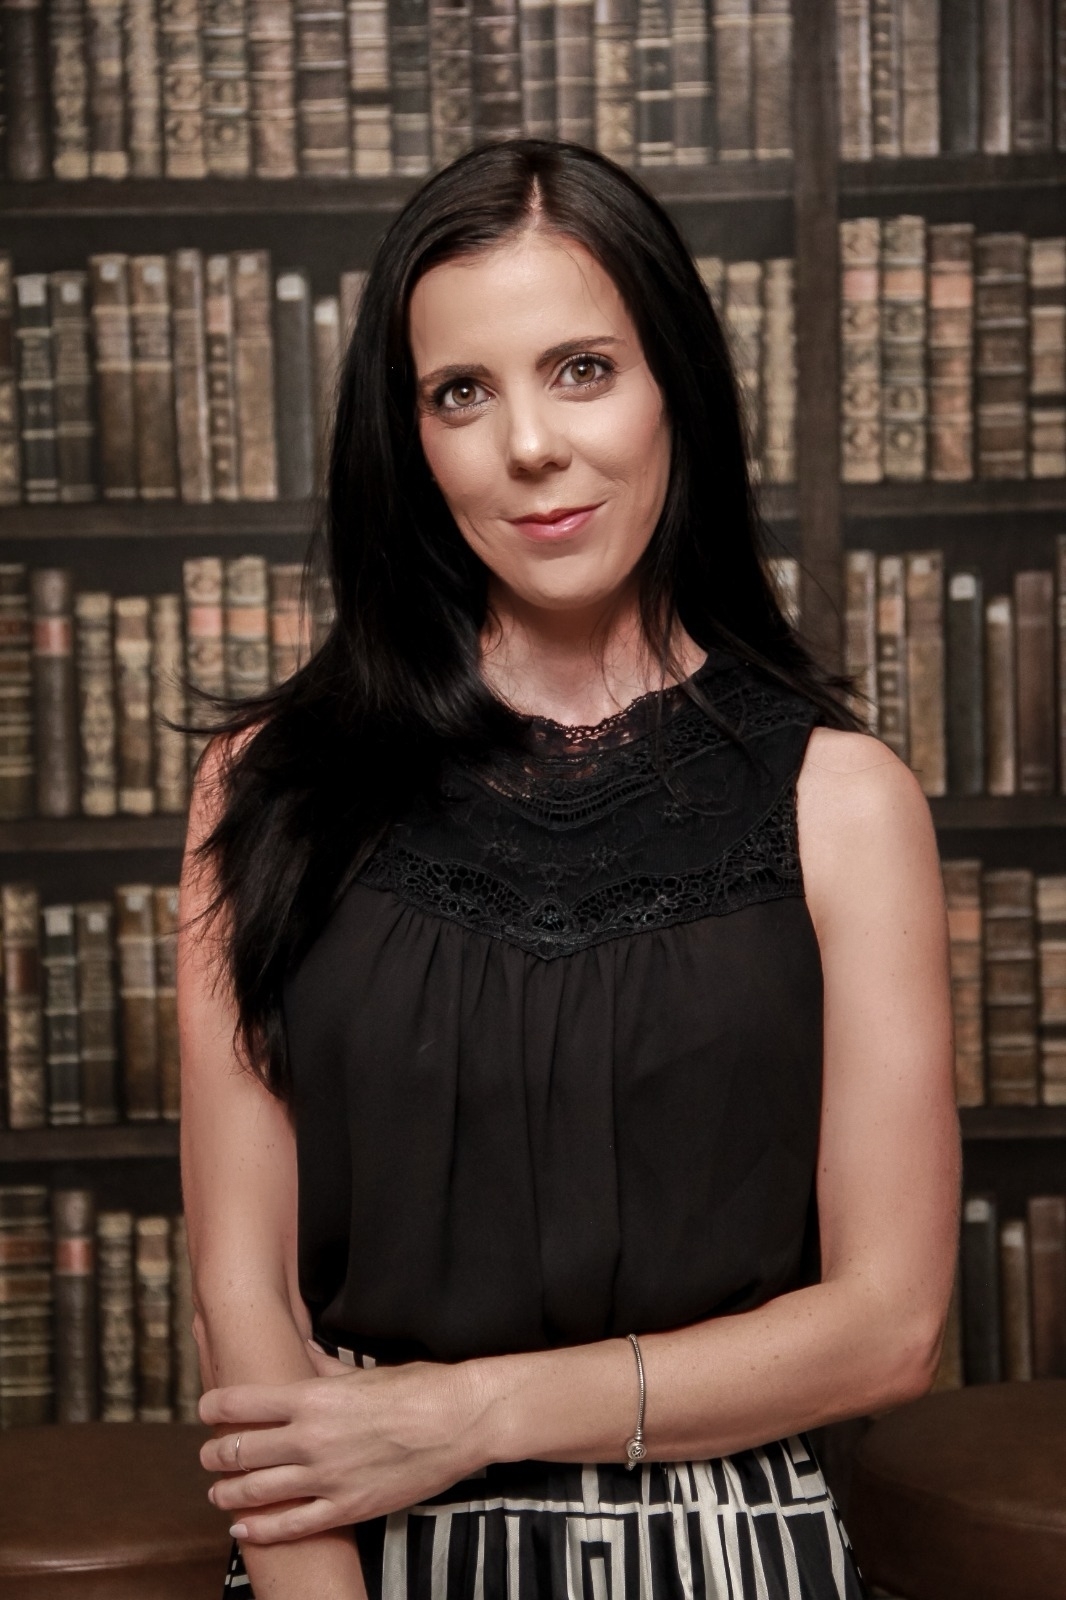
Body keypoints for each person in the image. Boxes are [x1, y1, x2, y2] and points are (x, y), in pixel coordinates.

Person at [179, 139, 961, 1600]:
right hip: (344, 1550)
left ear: (677, 390)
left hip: (729, 1553)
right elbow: (244, 1294)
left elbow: (889, 1328)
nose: (528, 445)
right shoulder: (265, 785)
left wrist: (472, 1414)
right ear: (409, 440)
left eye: (583, 369)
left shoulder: (844, 804)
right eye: (459, 393)